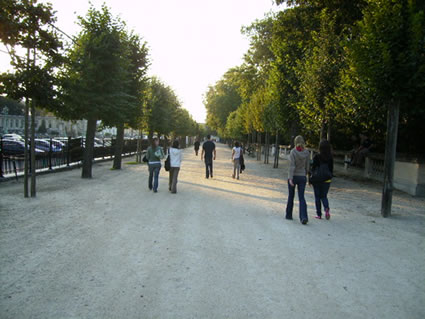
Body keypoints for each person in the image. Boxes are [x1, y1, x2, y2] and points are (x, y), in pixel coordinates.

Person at [286, 135, 310, 225]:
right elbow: (308, 166)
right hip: (302, 176)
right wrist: (306, 174)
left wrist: (290, 178)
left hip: (294, 175)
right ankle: (303, 216)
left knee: (291, 196)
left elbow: (291, 166)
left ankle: (289, 214)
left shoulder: (293, 152)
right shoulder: (307, 153)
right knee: (301, 197)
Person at [311, 139, 334, 220]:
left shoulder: (316, 157)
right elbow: (331, 170)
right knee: (324, 196)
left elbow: (313, 169)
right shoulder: (330, 158)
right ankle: (327, 209)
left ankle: (319, 214)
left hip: (317, 180)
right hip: (327, 180)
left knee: (317, 197)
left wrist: (310, 179)